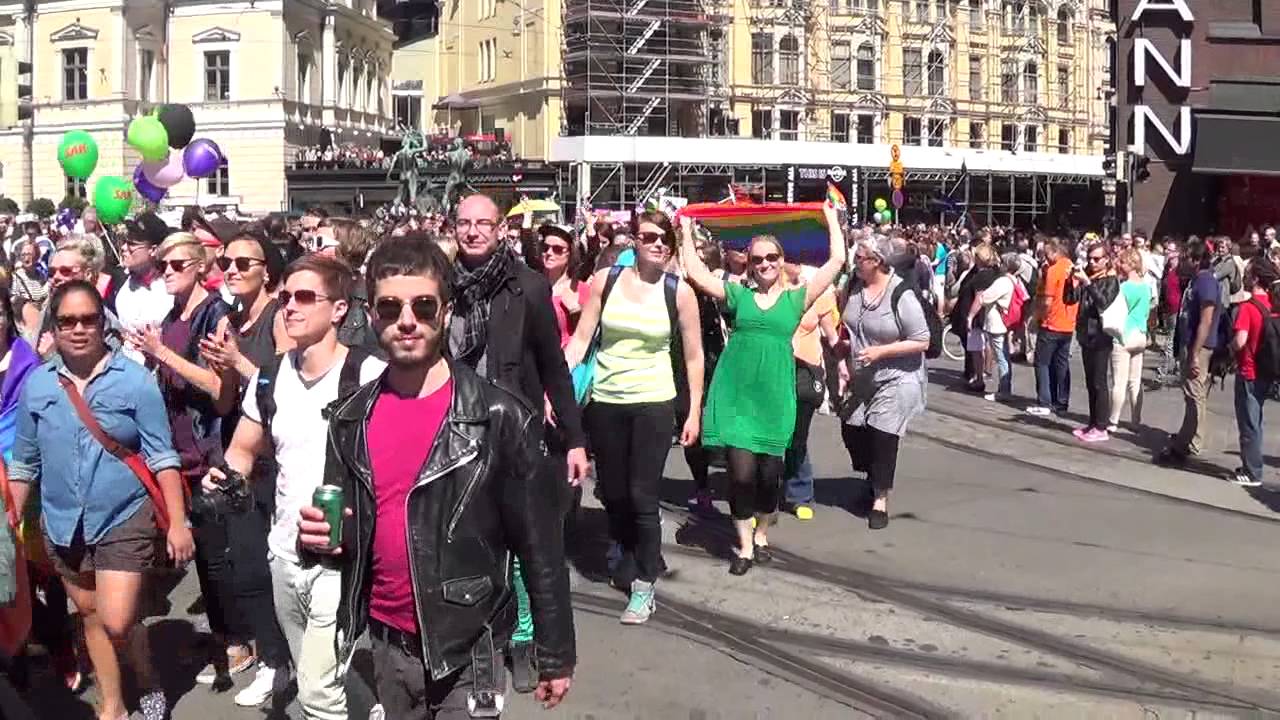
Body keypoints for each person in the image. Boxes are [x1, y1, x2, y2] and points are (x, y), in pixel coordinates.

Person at [297, 234, 576, 718]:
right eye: (390, 308)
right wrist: (320, 541)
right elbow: (343, 530)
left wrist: (555, 654)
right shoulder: (349, 417)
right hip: (385, 639)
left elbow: (540, 547)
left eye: (423, 306)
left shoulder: (499, 416)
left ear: (446, 312)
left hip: (471, 643)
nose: (407, 321)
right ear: (372, 316)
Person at [203, 254, 385, 719]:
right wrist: (222, 477)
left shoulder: (369, 376)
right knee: (313, 671)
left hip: (340, 556)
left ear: (339, 309)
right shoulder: (270, 376)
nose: (291, 307)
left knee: (319, 694)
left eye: (306, 297)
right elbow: (244, 449)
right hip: (283, 550)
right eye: (286, 297)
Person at [8, 280, 194, 720]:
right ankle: (113, 705)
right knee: (89, 613)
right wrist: (8, 520)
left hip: (123, 516)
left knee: (114, 619)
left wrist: (179, 522)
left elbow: (163, 455)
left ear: (102, 323)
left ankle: (144, 671)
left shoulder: (132, 381)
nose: (77, 329)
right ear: (54, 325)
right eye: (67, 320)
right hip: (61, 521)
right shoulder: (38, 385)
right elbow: (24, 463)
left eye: (87, 319)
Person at [678, 204, 845, 575]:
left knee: (770, 477)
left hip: (774, 397)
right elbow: (696, 272)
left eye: (772, 257)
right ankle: (743, 546)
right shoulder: (739, 295)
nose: (765, 263)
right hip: (737, 394)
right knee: (740, 476)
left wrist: (830, 218)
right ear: (750, 264)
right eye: (758, 259)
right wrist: (686, 230)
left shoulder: (796, 298)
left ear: (782, 260)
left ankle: (762, 532)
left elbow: (836, 261)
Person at [565, 210, 704, 623]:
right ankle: (630, 545)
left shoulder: (678, 292)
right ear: (635, 240)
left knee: (643, 495)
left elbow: (694, 356)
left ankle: (644, 584)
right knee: (613, 491)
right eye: (649, 236)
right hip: (607, 401)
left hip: (654, 402)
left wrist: (693, 410)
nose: (657, 244)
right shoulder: (606, 280)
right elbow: (582, 339)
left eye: (665, 239)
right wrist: (556, 379)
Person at [839, 235, 931, 530]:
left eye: (860, 259)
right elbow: (845, 325)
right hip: (864, 373)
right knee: (851, 428)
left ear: (877, 262)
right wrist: (841, 356)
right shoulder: (852, 285)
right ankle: (871, 474)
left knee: (883, 433)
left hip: (898, 374)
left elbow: (922, 340)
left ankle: (880, 499)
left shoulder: (900, 292)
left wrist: (882, 350)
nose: (855, 264)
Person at [781, 264, 840, 520]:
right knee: (768, 432)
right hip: (773, 370)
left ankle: (799, 493)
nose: (795, 263)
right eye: (790, 257)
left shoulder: (817, 290)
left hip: (805, 373)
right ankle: (763, 491)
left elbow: (831, 335)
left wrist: (845, 364)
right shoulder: (769, 290)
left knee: (797, 435)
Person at [1156, 238, 1221, 465]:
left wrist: (1194, 352)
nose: (1181, 262)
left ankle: (1188, 443)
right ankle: (1191, 437)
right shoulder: (1195, 280)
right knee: (1192, 394)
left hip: (1199, 347)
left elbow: (1206, 319)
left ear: (1196, 260)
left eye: (1185, 258)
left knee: (1195, 395)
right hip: (1189, 344)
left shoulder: (1206, 283)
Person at [1229, 257, 1279, 487]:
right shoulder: (1272, 304)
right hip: (1267, 368)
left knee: (1249, 421)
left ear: (1256, 278)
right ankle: (1251, 465)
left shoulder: (1247, 308)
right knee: (1257, 419)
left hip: (1248, 369)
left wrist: (1227, 349)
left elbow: (1240, 341)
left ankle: (1252, 472)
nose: (1245, 277)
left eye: (1248, 273)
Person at [1064, 242, 1120, 442]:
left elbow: (1103, 303)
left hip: (1101, 336)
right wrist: (1071, 282)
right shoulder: (1089, 276)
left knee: (1099, 382)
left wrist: (1087, 283)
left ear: (1106, 259)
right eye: (1090, 258)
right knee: (1090, 382)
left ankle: (1102, 427)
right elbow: (1071, 300)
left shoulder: (1111, 280)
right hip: (1086, 334)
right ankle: (1093, 422)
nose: (1092, 262)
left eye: (1097, 259)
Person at [1027, 239, 1079, 416]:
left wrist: (1038, 318)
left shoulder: (1054, 270)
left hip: (1052, 323)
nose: (1045, 258)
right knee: (1061, 364)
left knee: (1042, 362)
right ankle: (1061, 402)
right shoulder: (1073, 268)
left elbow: (1048, 301)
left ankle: (1045, 402)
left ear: (1056, 252)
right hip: (1068, 324)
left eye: (1047, 254)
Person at [114, 214, 173, 365]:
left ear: (153, 250)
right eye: (125, 242)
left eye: (132, 244)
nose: (124, 248)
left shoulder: (171, 288)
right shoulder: (122, 281)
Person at [1108, 248, 1152, 431]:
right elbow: (1148, 312)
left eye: (1123, 262)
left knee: (1119, 381)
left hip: (1125, 334)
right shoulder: (1146, 287)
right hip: (1141, 334)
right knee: (1135, 381)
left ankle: (1113, 420)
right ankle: (1136, 420)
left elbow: (1117, 311)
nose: (1120, 265)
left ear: (1131, 265)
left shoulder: (1123, 287)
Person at [969, 251, 1019, 402]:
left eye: (1002, 263)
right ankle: (1005, 389)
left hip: (997, 324)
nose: (999, 265)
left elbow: (985, 297)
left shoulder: (1003, 281)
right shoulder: (1014, 279)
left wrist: (983, 296)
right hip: (1004, 322)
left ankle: (1004, 391)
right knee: (1003, 357)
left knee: (1002, 358)